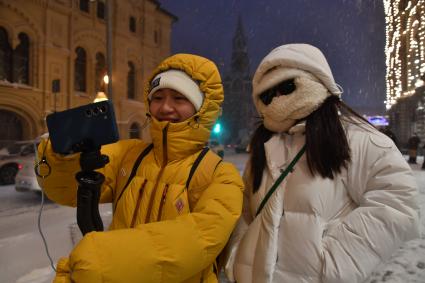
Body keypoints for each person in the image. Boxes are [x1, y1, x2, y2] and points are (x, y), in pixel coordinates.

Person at [36, 54, 243, 283]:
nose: (165, 107)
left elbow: (198, 240)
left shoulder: (221, 175)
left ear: (201, 108)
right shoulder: (129, 154)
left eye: (179, 98)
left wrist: (106, 258)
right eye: (158, 97)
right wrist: (62, 157)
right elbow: (64, 191)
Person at [223, 44, 419, 283]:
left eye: (286, 87)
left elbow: (397, 202)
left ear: (316, 81)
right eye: (266, 95)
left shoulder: (358, 139)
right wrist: (238, 254)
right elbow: (246, 211)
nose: (276, 100)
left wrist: (337, 263)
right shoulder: (264, 144)